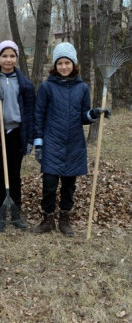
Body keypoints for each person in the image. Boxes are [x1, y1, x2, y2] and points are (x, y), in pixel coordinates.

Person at [31, 42, 109, 236]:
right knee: (49, 183)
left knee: (69, 185)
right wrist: (39, 144)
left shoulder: (82, 88)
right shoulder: (47, 87)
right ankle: (48, 218)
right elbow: (38, 116)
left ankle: (64, 219)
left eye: (67, 63)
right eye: (60, 63)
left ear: (73, 64)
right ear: (55, 65)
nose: (64, 67)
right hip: (52, 142)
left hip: (74, 143)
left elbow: (83, 116)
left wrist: (94, 113)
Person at [0, 40, 35, 232]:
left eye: (12, 56)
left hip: (16, 132)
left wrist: (29, 139)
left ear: (17, 58)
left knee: (14, 174)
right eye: (4, 56)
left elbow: (30, 113)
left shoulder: (25, 84)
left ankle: (16, 211)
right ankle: (0, 211)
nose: (8, 59)